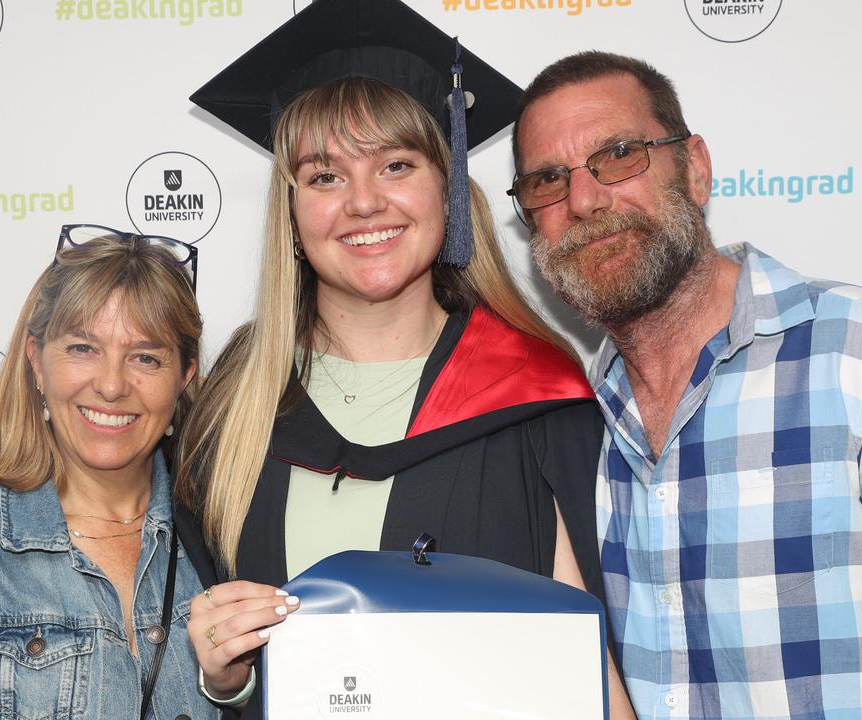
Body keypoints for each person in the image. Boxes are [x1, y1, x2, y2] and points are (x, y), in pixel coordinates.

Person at [511, 50, 862, 718]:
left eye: (621, 153)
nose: (584, 199)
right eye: (547, 180)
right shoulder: (575, 420)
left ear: (697, 168)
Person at [173, 1, 632, 717]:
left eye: (396, 164)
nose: (363, 202)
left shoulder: (535, 397)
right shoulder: (235, 406)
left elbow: (584, 668)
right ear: (291, 210)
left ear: (447, 188)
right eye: (324, 177)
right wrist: (224, 676)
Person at [0, 227, 213, 719]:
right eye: (82, 348)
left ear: (184, 378)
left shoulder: (223, 538)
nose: (113, 385)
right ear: (36, 363)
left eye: (145, 357)